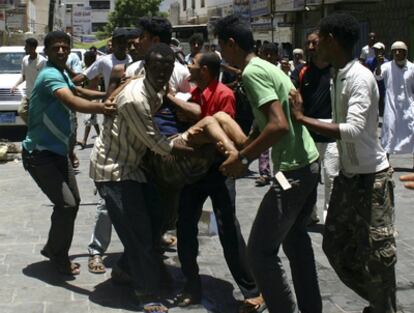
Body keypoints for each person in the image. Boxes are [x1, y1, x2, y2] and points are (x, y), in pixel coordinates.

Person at [290, 13, 397, 313]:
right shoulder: (338, 75)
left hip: (372, 179)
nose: (313, 45)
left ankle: (384, 307)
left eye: (319, 39)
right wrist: (301, 121)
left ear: (332, 41)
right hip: (349, 177)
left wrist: (302, 119)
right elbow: (337, 122)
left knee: (380, 254)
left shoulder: (360, 78)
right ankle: (380, 302)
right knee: (334, 247)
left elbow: (353, 130)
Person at [215, 15, 321, 313]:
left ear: (231, 44)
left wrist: (244, 158)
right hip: (308, 165)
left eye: (221, 46)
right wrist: (244, 143)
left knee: (259, 252)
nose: (221, 53)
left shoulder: (253, 74)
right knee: (296, 243)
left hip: (293, 172)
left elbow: (278, 125)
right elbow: (269, 122)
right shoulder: (265, 67)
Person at [174, 52, 264, 312]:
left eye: (193, 64)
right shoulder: (195, 93)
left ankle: (252, 290)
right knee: (185, 224)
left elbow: (222, 134)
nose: (188, 67)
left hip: (218, 170)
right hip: (196, 171)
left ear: (204, 70)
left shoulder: (223, 93)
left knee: (227, 227)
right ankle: (191, 285)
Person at [21, 31, 115, 276]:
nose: (61, 51)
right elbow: (72, 102)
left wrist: (107, 95)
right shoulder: (50, 74)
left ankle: (53, 248)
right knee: (66, 204)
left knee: (72, 204)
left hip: (57, 153)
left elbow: (80, 92)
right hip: (39, 155)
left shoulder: (62, 72)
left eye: (65, 47)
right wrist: (104, 108)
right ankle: (58, 256)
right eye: (56, 48)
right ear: (47, 51)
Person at [73, 27, 132, 274]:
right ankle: (96, 251)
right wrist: (100, 95)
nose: (122, 47)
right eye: (118, 42)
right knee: (106, 200)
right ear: (112, 44)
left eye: (125, 43)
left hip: (134, 129)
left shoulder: (135, 62)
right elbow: (82, 79)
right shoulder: (104, 62)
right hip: (111, 124)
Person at [291, 30, 339, 225]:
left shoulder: (337, 70)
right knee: (310, 177)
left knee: (332, 176)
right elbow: (291, 93)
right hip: (308, 133)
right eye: (308, 43)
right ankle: (310, 214)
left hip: (332, 132)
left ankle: (330, 217)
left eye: (315, 43)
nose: (310, 47)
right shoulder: (301, 71)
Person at [375, 41, 414, 166]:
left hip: (408, 107)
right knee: (389, 132)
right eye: (394, 51)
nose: (397, 53)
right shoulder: (386, 66)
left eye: (400, 50)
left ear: (405, 52)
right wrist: (379, 65)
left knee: (412, 131)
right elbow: (378, 76)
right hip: (391, 107)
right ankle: (385, 164)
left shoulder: (412, 67)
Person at [11, 37, 46, 124]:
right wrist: (15, 85)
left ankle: (36, 131)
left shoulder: (42, 61)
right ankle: (32, 127)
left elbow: (45, 79)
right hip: (28, 94)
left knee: (37, 115)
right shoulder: (25, 59)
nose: (25, 48)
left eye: (26, 47)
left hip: (38, 95)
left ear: (33, 48)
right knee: (21, 111)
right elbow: (24, 76)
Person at [78, 51, 101, 149]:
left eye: (86, 59)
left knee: (88, 119)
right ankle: (101, 136)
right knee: (93, 120)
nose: (84, 61)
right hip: (87, 97)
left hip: (94, 97)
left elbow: (95, 83)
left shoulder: (95, 71)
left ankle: (84, 141)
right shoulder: (86, 70)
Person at [366, 42, 388, 117]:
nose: (376, 52)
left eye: (378, 50)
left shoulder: (387, 63)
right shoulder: (369, 61)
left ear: (383, 51)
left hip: (383, 89)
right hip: (372, 88)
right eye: (375, 50)